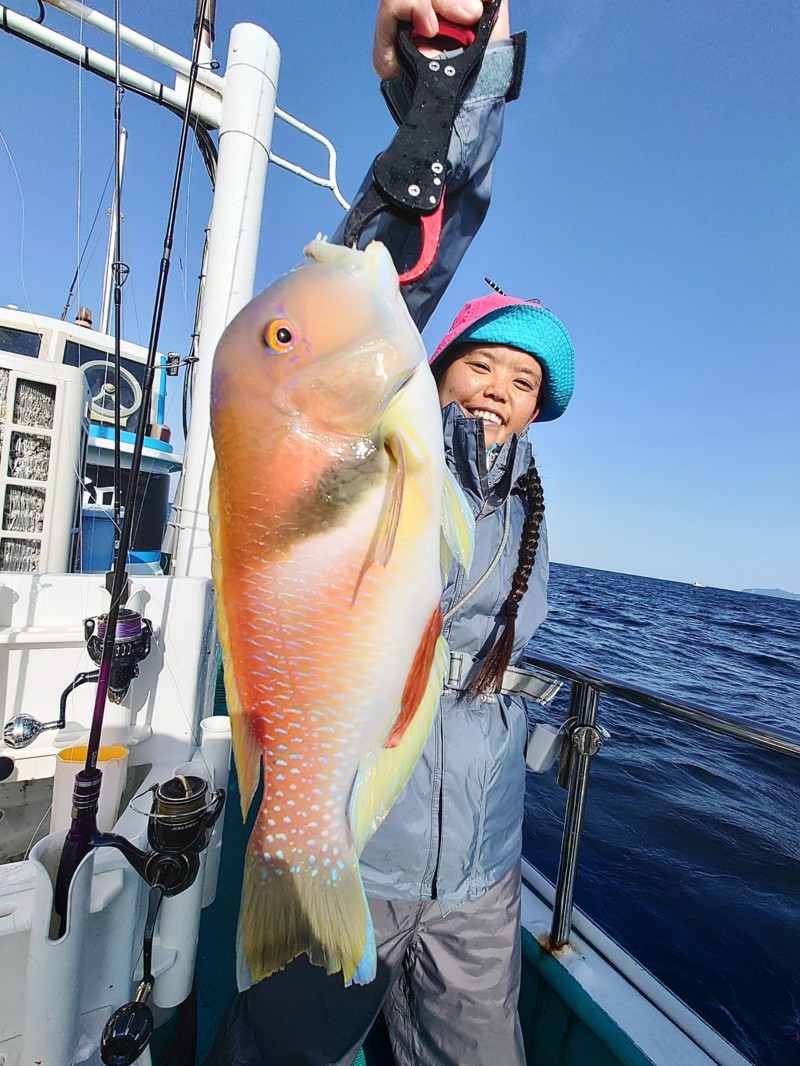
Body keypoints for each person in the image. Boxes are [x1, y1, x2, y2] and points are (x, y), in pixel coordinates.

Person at [207, 1, 575, 1063]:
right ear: (431, 364)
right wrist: (460, 67)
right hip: (364, 843)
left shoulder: (524, 512)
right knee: (282, 1041)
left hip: (479, 870)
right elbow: (420, 222)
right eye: (482, 366)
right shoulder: (381, 423)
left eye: (524, 384)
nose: (499, 393)